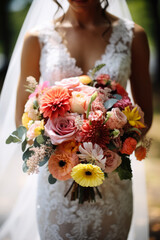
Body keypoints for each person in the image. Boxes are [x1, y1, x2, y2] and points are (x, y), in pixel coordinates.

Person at [0, 0, 153, 239]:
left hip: (111, 176)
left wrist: (108, 145)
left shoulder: (133, 36)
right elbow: (23, 115)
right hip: (57, 181)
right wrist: (62, 147)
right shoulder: (37, 38)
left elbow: (145, 114)